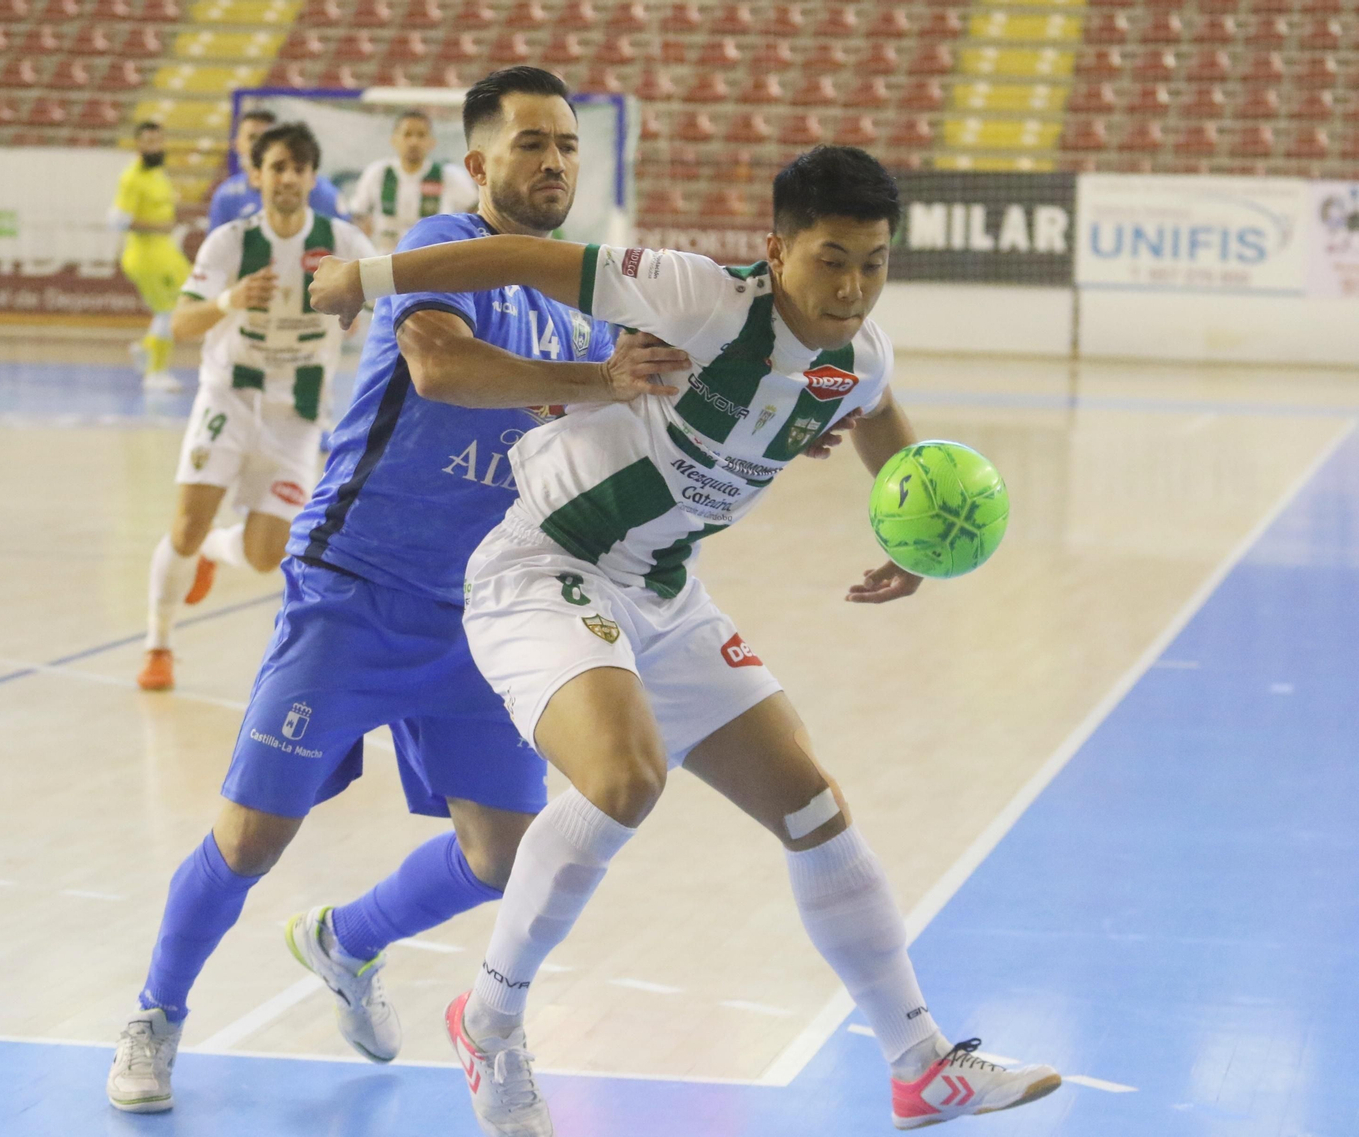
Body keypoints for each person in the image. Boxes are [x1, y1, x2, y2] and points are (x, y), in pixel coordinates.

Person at [310, 145, 1063, 1135]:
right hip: (543, 567)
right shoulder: (696, 296)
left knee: (811, 810)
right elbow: (527, 261)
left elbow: (873, 412)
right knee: (624, 780)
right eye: (831, 259)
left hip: (662, 591)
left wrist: (905, 530)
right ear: (776, 249)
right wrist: (365, 279)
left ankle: (918, 1064)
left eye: (873, 263)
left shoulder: (860, 352)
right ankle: (487, 1022)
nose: (850, 288)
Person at [106, 66, 688, 1114]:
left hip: (488, 611)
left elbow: (641, 410)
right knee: (251, 839)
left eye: (564, 144)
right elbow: (442, 369)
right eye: (528, 144)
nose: (552, 161)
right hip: (355, 586)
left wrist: (765, 417)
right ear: (478, 163)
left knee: (501, 855)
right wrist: (604, 380)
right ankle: (156, 1011)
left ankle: (344, 941)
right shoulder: (435, 248)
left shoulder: (585, 300)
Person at [135, 122, 375, 693]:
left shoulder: (341, 241)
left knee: (267, 556)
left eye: (298, 168)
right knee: (187, 525)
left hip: (297, 416)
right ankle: (158, 644)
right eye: (277, 167)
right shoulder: (231, 242)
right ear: (257, 175)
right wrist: (230, 299)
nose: (288, 178)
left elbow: (392, 296)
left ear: (312, 177)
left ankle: (220, 550)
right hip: (229, 399)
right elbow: (183, 322)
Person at [111, 121, 192, 393]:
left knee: (186, 301)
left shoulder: (158, 172)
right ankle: (156, 373)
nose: (154, 146)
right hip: (146, 255)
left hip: (165, 251)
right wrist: (157, 225)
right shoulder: (132, 177)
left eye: (158, 140)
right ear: (138, 144)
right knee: (168, 311)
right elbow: (118, 219)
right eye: (148, 141)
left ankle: (146, 349)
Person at [349, 109, 480, 253]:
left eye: (421, 135)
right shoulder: (377, 173)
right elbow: (357, 213)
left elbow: (476, 208)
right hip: (384, 258)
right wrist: (363, 226)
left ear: (432, 142)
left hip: (433, 259)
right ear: (394, 140)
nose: (414, 142)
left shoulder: (448, 175)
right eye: (407, 134)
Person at [209, 109, 350, 232]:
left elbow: (344, 241)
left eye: (266, 138)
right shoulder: (227, 196)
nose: (288, 180)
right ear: (237, 143)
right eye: (252, 138)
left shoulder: (323, 193)